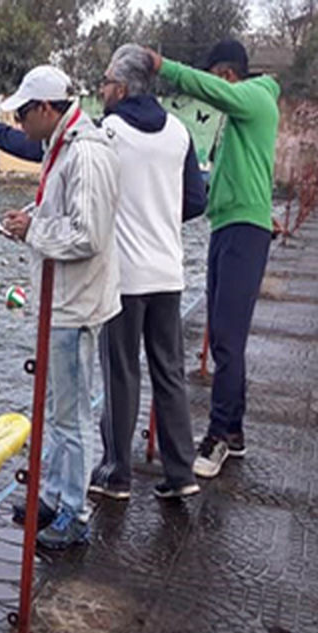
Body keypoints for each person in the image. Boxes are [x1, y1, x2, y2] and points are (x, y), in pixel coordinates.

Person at [0, 65, 121, 550]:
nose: (21, 125)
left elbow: (88, 234)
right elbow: (64, 211)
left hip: (74, 305)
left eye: (25, 114)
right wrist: (29, 217)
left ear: (47, 109)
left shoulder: (85, 154)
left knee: (72, 419)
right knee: (57, 409)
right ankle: (52, 495)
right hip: (61, 301)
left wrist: (34, 233)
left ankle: (76, 511)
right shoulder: (64, 147)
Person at [148, 39, 281, 479]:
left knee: (226, 337)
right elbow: (244, 172)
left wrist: (165, 65)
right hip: (231, 226)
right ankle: (235, 432)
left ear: (227, 76)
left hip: (244, 230)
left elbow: (211, 92)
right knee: (223, 333)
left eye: (216, 79)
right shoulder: (241, 116)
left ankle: (220, 434)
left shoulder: (255, 99)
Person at [89, 44, 208, 502]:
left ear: (121, 86)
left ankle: (117, 473)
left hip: (125, 275)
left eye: (104, 82)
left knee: (122, 373)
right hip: (168, 272)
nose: (101, 90)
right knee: (170, 373)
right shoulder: (179, 132)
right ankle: (181, 472)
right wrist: (159, 215)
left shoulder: (110, 131)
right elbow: (196, 201)